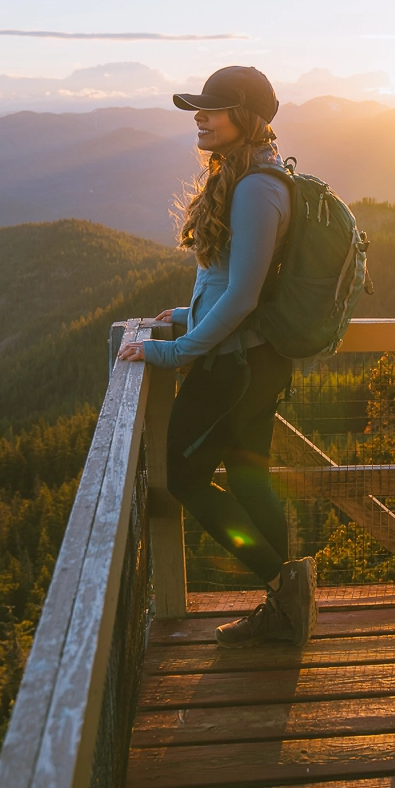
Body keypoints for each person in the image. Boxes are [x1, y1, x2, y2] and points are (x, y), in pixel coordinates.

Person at [118, 66, 317, 648]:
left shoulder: (256, 188)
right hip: (251, 357)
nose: (200, 117)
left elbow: (245, 295)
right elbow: (230, 285)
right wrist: (182, 316)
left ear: (246, 118)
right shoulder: (251, 176)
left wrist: (176, 350)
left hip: (233, 366)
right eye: (198, 108)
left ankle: (283, 586)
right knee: (251, 479)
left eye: (213, 108)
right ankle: (285, 606)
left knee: (183, 477)